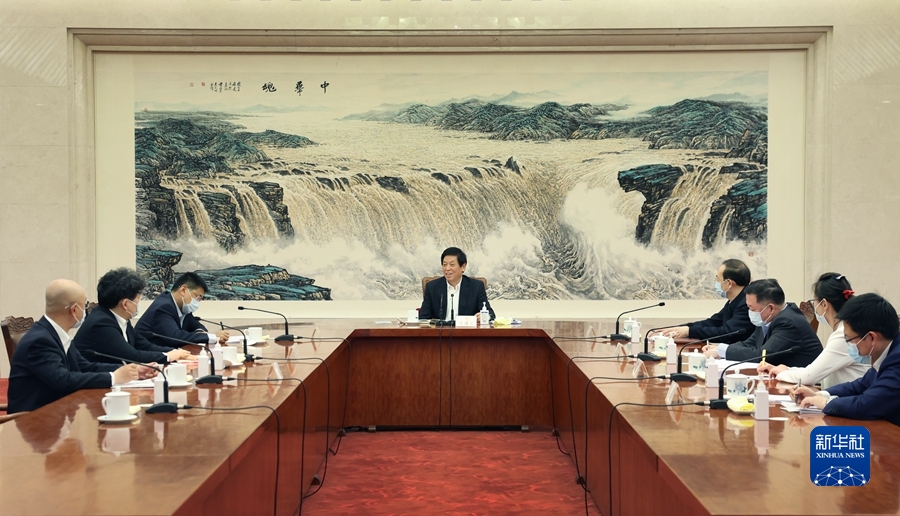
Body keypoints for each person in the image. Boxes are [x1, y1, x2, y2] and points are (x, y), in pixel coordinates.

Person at [7, 279, 156, 413]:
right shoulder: (39, 341)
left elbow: (84, 366)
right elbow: (63, 380)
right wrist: (113, 377)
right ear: (74, 310)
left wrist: (133, 371)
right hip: (35, 420)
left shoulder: (55, 333)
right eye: (84, 305)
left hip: (60, 411)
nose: (86, 311)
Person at [794, 293, 900, 426]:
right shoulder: (887, 351)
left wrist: (826, 403)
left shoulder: (897, 360)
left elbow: (866, 405)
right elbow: (860, 386)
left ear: (872, 338)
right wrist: (820, 395)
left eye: (849, 339)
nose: (848, 344)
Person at [758, 273, 869, 389]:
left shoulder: (843, 335)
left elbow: (809, 377)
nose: (814, 306)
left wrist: (782, 373)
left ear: (824, 304)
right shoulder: (843, 330)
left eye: (814, 301)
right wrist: (785, 370)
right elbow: (816, 370)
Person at [73, 268, 193, 366]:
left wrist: (177, 352)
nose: (138, 304)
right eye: (138, 299)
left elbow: (144, 345)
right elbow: (132, 356)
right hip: (92, 383)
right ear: (125, 304)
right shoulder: (101, 323)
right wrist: (168, 356)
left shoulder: (120, 317)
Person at [702, 278, 821, 367]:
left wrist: (723, 351)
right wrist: (719, 349)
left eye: (752, 308)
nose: (749, 312)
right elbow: (750, 344)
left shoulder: (788, 323)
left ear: (770, 308)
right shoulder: (768, 317)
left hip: (804, 385)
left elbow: (762, 356)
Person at [656, 259, 754, 343]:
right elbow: (713, 322)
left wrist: (689, 331)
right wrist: (681, 328)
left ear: (729, 283)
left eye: (718, 279)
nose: (716, 283)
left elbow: (726, 333)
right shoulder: (734, 301)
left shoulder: (747, 304)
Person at [135, 272, 228, 349]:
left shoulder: (182, 307)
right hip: (147, 359)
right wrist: (212, 337)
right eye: (198, 297)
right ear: (183, 290)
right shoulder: (164, 307)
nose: (198, 301)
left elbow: (196, 325)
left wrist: (200, 332)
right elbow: (176, 337)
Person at [419, 247, 495, 323]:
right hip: (440, 329)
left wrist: (484, 316)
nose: (447, 268)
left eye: (452, 264)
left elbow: (491, 314)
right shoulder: (432, 287)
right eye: (444, 265)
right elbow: (423, 318)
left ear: (463, 267)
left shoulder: (476, 287)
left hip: (465, 330)